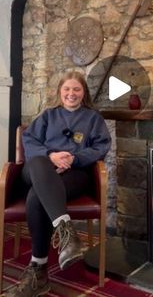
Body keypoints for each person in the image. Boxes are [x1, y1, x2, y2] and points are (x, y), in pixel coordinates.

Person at [4, 71, 111, 297]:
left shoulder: (94, 119)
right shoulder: (48, 115)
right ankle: (67, 233)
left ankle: (38, 270)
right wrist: (51, 156)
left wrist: (74, 159)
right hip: (39, 169)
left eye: (76, 89)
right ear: (60, 92)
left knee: (36, 196)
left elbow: (100, 147)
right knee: (40, 164)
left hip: (74, 173)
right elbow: (29, 140)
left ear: (84, 93)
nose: (71, 94)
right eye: (67, 89)